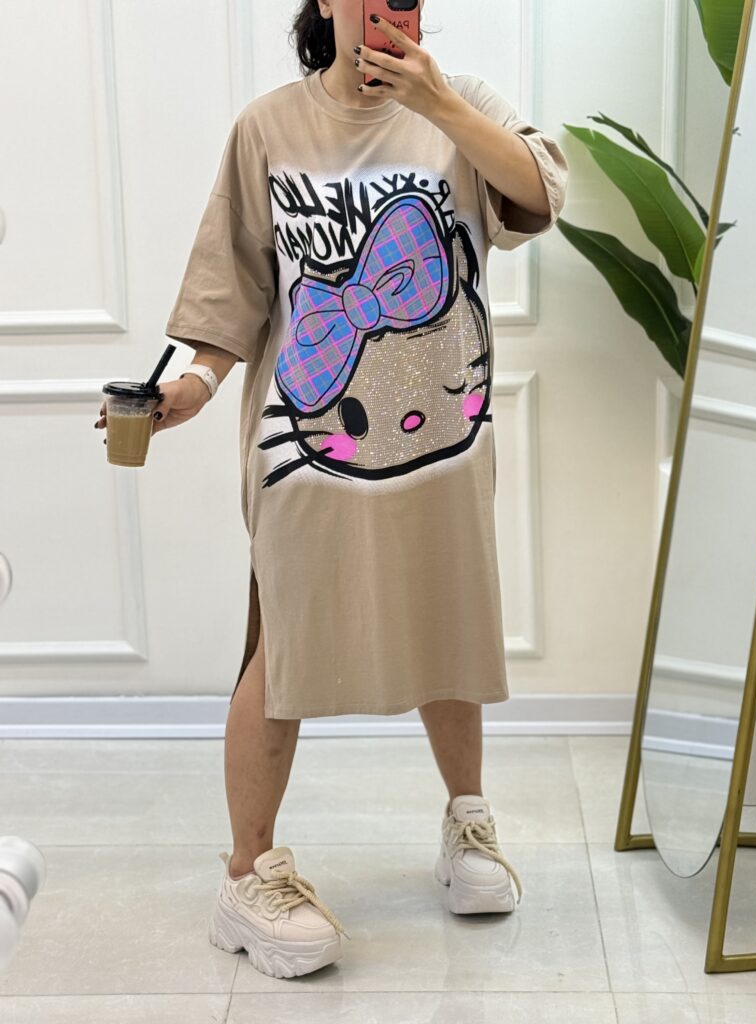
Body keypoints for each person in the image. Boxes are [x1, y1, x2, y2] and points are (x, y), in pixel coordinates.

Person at [97, 0, 568, 980]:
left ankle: (468, 823)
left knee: (447, 621)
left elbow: (537, 193)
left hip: (445, 442)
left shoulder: (465, 105)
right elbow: (234, 290)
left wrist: (440, 106)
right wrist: (194, 386)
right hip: (305, 451)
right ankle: (247, 876)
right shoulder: (267, 127)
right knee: (285, 643)